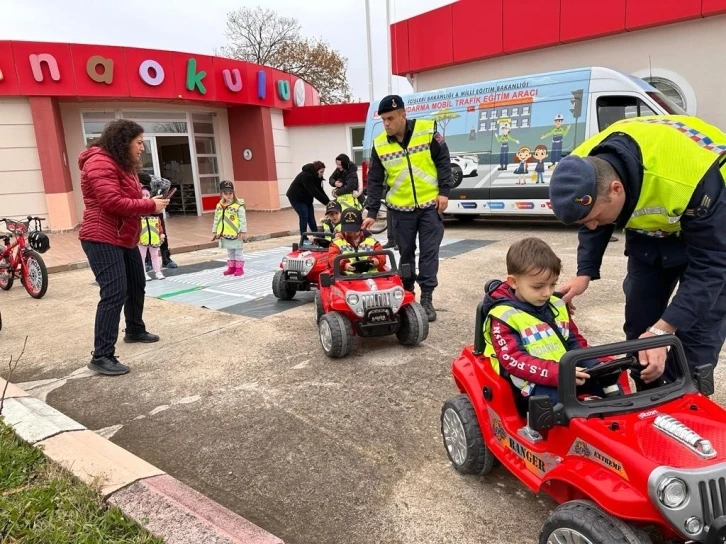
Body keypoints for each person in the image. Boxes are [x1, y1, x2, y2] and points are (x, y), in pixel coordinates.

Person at [548, 115, 726, 391]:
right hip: (652, 233)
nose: (593, 226)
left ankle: (688, 408)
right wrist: (585, 272)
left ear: (617, 189)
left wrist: (663, 330)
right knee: (639, 334)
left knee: (695, 341)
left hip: (713, 218)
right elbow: (591, 216)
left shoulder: (686, 177)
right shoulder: (583, 166)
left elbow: (711, 268)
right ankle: (646, 411)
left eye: (595, 217)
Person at [78, 119, 169, 376]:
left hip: (124, 236)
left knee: (136, 284)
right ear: (123, 141)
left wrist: (147, 199)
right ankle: (102, 355)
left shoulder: (121, 163)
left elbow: (125, 197)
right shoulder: (100, 162)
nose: (142, 148)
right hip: (102, 237)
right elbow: (111, 202)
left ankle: (134, 329)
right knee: (114, 292)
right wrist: (149, 206)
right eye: (139, 143)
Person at [483, 238, 615, 406]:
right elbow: (514, 360)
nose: (547, 293)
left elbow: (575, 342)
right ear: (514, 282)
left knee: (607, 386)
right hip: (529, 383)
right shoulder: (504, 317)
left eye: (552, 284)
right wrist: (559, 374)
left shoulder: (557, 305)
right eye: (538, 287)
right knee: (556, 405)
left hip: (565, 372)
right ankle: (536, 430)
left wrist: (597, 364)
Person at [361, 95, 453, 322]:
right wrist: (372, 212)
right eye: (383, 120)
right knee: (405, 254)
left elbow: (443, 162)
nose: (387, 124)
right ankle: (408, 292)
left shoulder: (427, 131)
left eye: (390, 118)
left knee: (430, 253)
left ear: (403, 114)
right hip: (401, 210)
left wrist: (444, 192)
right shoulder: (380, 145)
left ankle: (427, 298)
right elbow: (374, 180)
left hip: (429, 206)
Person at [328, 208, 387, 274]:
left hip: (372, 276)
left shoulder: (372, 241)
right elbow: (332, 257)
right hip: (347, 279)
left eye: (354, 230)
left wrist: (376, 260)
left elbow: (381, 255)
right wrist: (344, 265)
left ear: (361, 226)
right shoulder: (337, 243)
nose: (352, 233)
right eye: (348, 231)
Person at [139, 172, 178, 270]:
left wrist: (161, 197)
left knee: (161, 234)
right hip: (142, 210)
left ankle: (166, 259)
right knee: (145, 235)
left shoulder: (154, 180)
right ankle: (148, 261)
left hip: (156, 209)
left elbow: (167, 183)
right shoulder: (132, 182)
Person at [286, 161, 330, 244]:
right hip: (296, 198)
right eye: (321, 172)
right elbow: (313, 191)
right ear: (316, 170)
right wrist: (326, 203)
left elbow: (320, 190)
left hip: (306, 199)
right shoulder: (306, 176)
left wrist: (328, 202)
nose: (322, 174)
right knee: (304, 217)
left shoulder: (316, 176)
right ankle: (304, 238)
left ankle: (316, 236)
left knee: (311, 218)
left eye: (323, 172)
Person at [212, 180, 247, 277]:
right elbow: (216, 219)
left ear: (233, 193)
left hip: (236, 233)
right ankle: (231, 267)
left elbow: (242, 220)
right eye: (225, 193)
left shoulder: (238, 206)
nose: (228, 195)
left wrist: (243, 231)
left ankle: (239, 268)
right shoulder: (219, 206)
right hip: (225, 233)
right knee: (230, 251)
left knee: (238, 251)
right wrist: (215, 230)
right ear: (221, 194)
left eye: (230, 193)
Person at [138, 186, 165, 281]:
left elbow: (159, 224)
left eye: (147, 195)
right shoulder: (138, 214)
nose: (145, 197)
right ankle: (143, 273)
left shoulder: (154, 212)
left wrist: (161, 233)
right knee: (141, 257)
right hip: (142, 239)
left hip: (154, 238)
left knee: (155, 255)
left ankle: (158, 271)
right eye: (142, 195)